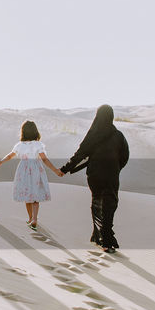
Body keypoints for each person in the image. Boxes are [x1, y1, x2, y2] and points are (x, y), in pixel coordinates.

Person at [60, 105, 128, 253]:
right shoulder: (118, 136)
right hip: (111, 175)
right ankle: (106, 238)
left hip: (95, 174)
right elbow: (125, 156)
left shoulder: (93, 134)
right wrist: (116, 168)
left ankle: (99, 237)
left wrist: (66, 168)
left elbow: (80, 153)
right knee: (110, 203)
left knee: (97, 201)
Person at [0, 120, 64, 229]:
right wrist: (55, 170)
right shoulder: (38, 145)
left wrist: (1, 162)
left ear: (23, 132)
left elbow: (10, 156)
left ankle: (30, 218)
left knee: (27, 195)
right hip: (36, 170)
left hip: (23, 171)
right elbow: (45, 160)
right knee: (35, 194)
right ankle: (34, 219)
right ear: (35, 132)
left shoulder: (19, 145)